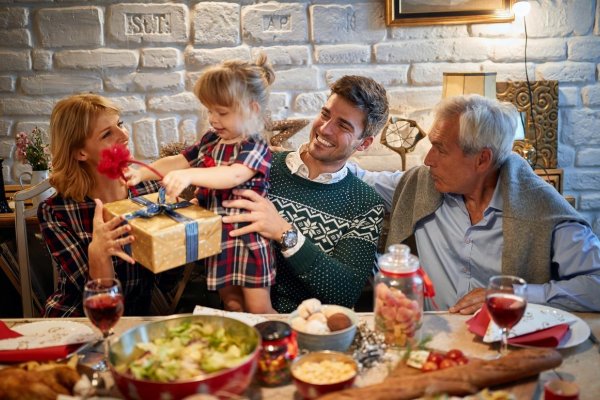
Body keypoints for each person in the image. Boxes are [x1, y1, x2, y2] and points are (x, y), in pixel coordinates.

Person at [355, 94, 600, 313]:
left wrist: (511, 295)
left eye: (440, 149)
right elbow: (357, 178)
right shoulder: (419, 185)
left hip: (507, 343)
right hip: (432, 341)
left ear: (482, 160)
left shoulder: (542, 209)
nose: (429, 160)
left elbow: (596, 285)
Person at [221, 75, 388, 313]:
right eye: (325, 114)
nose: (325, 128)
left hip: (313, 330)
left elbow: (345, 291)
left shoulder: (365, 203)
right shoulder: (262, 166)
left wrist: (284, 233)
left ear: (364, 143)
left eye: (343, 125)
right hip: (241, 318)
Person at [126, 55, 276, 313]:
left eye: (222, 112)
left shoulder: (255, 145)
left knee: (258, 307)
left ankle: (283, 346)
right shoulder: (212, 139)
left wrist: (191, 176)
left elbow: (234, 175)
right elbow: (178, 160)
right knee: (231, 303)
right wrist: (142, 173)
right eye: (210, 110)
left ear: (252, 109)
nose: (213, 119)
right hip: (216, 237)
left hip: (247, 238)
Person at [39, 93, 166, 317]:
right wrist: (99, 253)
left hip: (138, 317)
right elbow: (99, 299)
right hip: (81, 318)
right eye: (107, 133)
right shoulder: (56, 211)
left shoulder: (150, 190)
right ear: (80, 152)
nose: (123, 135)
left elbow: (168, 276)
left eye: (120, 124)